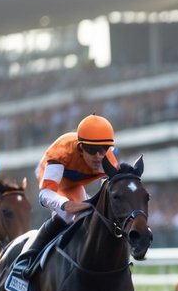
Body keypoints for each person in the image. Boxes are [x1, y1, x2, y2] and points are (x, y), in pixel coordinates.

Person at [13, 115, 119, 279]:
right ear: (81, 147)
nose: (99, 156)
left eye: (104, 148)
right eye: (92, 149)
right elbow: (45, 194)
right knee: (67, 214)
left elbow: (115, 190)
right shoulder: (62, 152)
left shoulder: (108, 158)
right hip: (53, 180)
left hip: (75, 183)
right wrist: (65, 204)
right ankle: (28, 258)